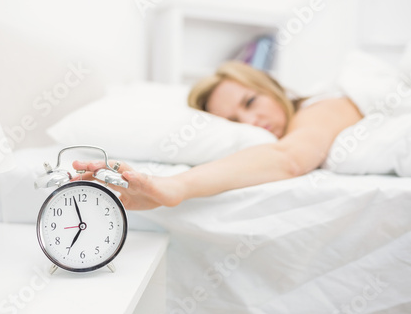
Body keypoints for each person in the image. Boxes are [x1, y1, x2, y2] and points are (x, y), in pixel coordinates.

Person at [73, 61, 362, 210]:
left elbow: (289, 158)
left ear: (270, 86)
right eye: (234, 121)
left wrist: (175, 187)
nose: (251, 122)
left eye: (250, 102)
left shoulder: (323, 106)